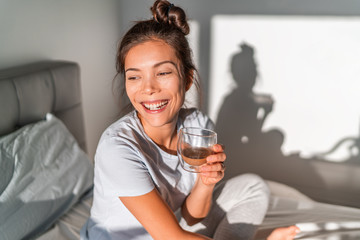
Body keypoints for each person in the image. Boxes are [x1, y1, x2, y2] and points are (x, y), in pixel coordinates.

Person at [80, 0, 300, 239]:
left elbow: (192, 217)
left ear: (186, 79)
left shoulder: (198, 126)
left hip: (174, 227)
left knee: (252, 186)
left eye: (162, 73)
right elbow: (172, 237)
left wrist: (206, 183)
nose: (148, 89)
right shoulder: (117, 147)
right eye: (134, 77)